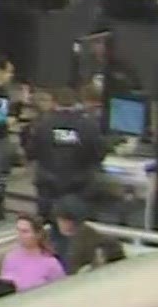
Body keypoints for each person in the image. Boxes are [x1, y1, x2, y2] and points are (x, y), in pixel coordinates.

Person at [23, 86, 105, 215]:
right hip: (78, 188)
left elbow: (31, 152)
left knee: (46, 225)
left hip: (48, 187)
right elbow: (99, 154)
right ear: (76, 103)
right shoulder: (89, 126)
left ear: (54, 103)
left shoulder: (42, 125)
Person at [0, 215, 67, 290]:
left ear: (38, 235)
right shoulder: (10, 258)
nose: (19, 235)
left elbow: (61, 289)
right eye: (18, 230)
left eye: (25, 231)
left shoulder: (51, 263)